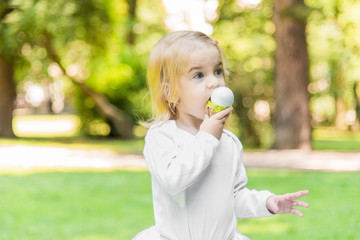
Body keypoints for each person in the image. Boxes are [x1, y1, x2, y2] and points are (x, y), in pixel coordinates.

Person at [133, 31, 309, 240]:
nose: (214, 82)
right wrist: (207, 138)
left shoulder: (229, 142)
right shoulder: (162, 137)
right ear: (170, 92)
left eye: (217, 71)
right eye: (199, 75)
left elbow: (233, 197)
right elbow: (174, 181)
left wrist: (267, 202)